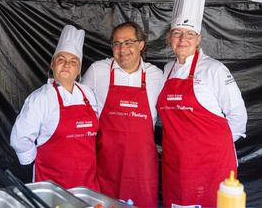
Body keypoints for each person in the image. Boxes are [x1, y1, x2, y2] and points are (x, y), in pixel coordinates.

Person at [156, 0, 247, 207]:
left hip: (210, 165)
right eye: (177, 33)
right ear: (169, 38)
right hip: (176, 164)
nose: (183, 39)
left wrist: (210, 149)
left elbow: (239, 117)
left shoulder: (214, 69)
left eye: (190, 34)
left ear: (199, 39)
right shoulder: (167, 70)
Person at [82, 21, 164, 207]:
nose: (122, 49)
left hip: (142, 168)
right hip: (107, 164)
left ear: (141, 45)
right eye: (117, 43)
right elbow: (80, 109)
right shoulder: (97, 71)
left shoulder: (156, 76)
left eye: (128, 42)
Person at [10, 25, 99, 190]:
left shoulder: (88, 94)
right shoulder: (40, 98)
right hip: (51, 183)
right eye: (61, 59)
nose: (67, 65)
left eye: (73, 62)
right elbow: (19, 138)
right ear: (52, 64)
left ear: (79, 69)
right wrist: (35, 160)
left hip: (86, 181)